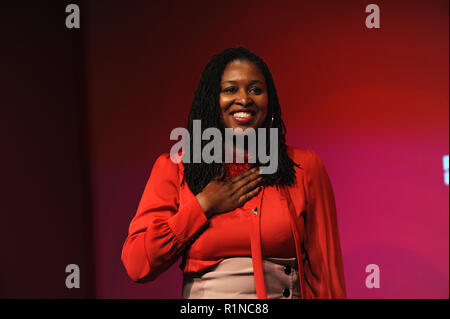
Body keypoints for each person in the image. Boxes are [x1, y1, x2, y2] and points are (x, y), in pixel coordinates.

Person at [121, 46, 347, 299]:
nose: (244, 99)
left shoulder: (304, 167)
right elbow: (137, 264)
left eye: (255, 90)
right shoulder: (175, 168)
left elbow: (325, 274)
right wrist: (204, 204)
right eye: (230, 90)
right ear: (211, 100)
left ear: (269, 100)